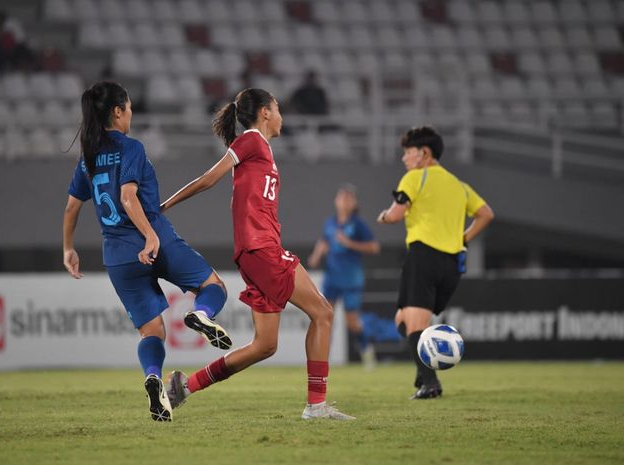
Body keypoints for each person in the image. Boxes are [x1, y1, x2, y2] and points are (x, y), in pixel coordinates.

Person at [160, 88, 354, 420]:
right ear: (265, 113)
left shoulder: (260, 149)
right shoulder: (250, 140)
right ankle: (316, 406)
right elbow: (209, 179)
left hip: (256, 252)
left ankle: (183, 386)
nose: (281, 116)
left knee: (265, 345)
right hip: (261, 249)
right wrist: (164, 206)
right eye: (277, 109)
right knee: (323, 313)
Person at [62, 81, 232, 422]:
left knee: (151, 332)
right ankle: (201, 314)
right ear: (117, 112)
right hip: (155, 239)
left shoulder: (89, 158)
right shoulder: (132, 148)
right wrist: (151, 236)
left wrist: (68, 247)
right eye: (128, 108)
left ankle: (153, 376)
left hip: (117, 255)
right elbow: (128, 196)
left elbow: (71, 208)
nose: (130, 115)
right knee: (214, 287)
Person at [377, 126, 494, 399]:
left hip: (424, 256)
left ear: (425, 153)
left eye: (409, 152)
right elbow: (486, 214)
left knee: (415, 323)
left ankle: (430, 383)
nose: (405, 158)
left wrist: (383, 215)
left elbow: (395, 215)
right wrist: (464, 237)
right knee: (403, 319)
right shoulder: (459, 185)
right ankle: (423, 372)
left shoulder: (416, 177)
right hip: (453, 263)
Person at [308, 183, 380, 368]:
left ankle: (367, 351)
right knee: (324, 319)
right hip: (332, 277)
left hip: (351, 278)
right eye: (341, 197)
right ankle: (323, 360)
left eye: (348, 198)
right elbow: (324, 240)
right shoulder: (330, 222)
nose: (344, 201)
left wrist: (349, 243)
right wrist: (316, 256)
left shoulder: (358, 224)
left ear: (354, 203)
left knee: (353, 323)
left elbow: (374, 247)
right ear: (336, 200)